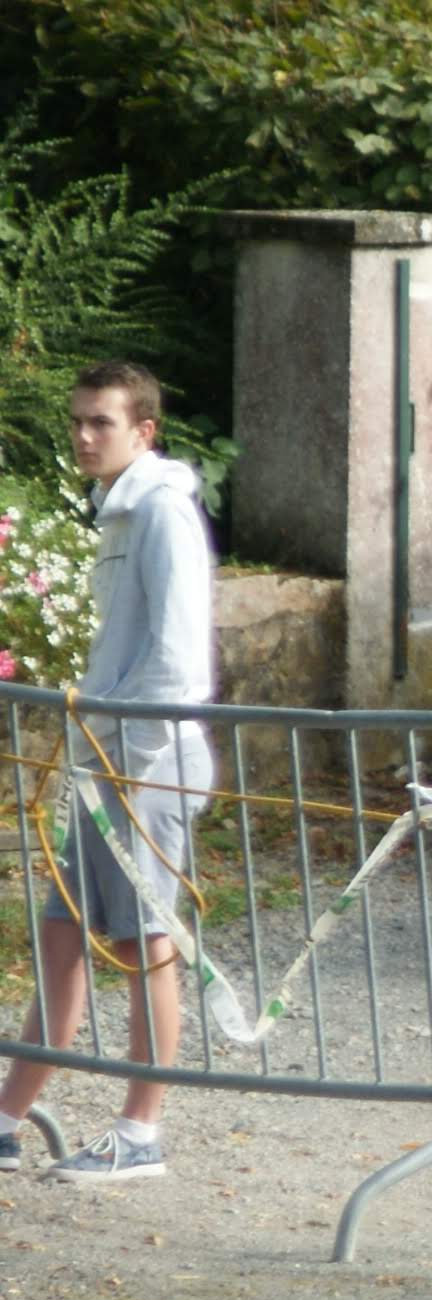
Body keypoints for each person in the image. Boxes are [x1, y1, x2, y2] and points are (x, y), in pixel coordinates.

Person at [0, 362, 217, 1182]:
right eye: (79, 423)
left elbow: (176, 661)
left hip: (145, 767)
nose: (86, 437)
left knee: (143, 941)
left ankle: (140, 1132)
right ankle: (7, 1117)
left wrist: (122, 753)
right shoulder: (121, 509)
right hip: (104, 767)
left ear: (144, 431)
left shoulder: (161, 511)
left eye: (103, 423)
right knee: (61, 934)